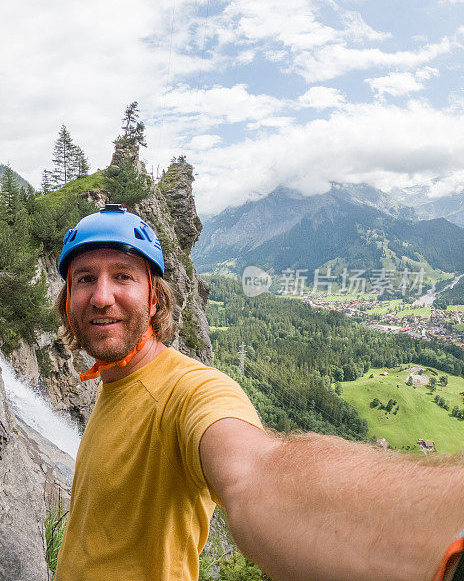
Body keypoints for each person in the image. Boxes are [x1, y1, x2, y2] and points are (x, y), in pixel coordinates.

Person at [52, 204, 464, 581]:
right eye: (86, 279)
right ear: (69, 298)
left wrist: (444, 528)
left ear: (155, 299)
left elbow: (255, 474)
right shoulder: (114, 382)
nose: (102, 297)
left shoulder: (187, 391)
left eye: (123, 276)